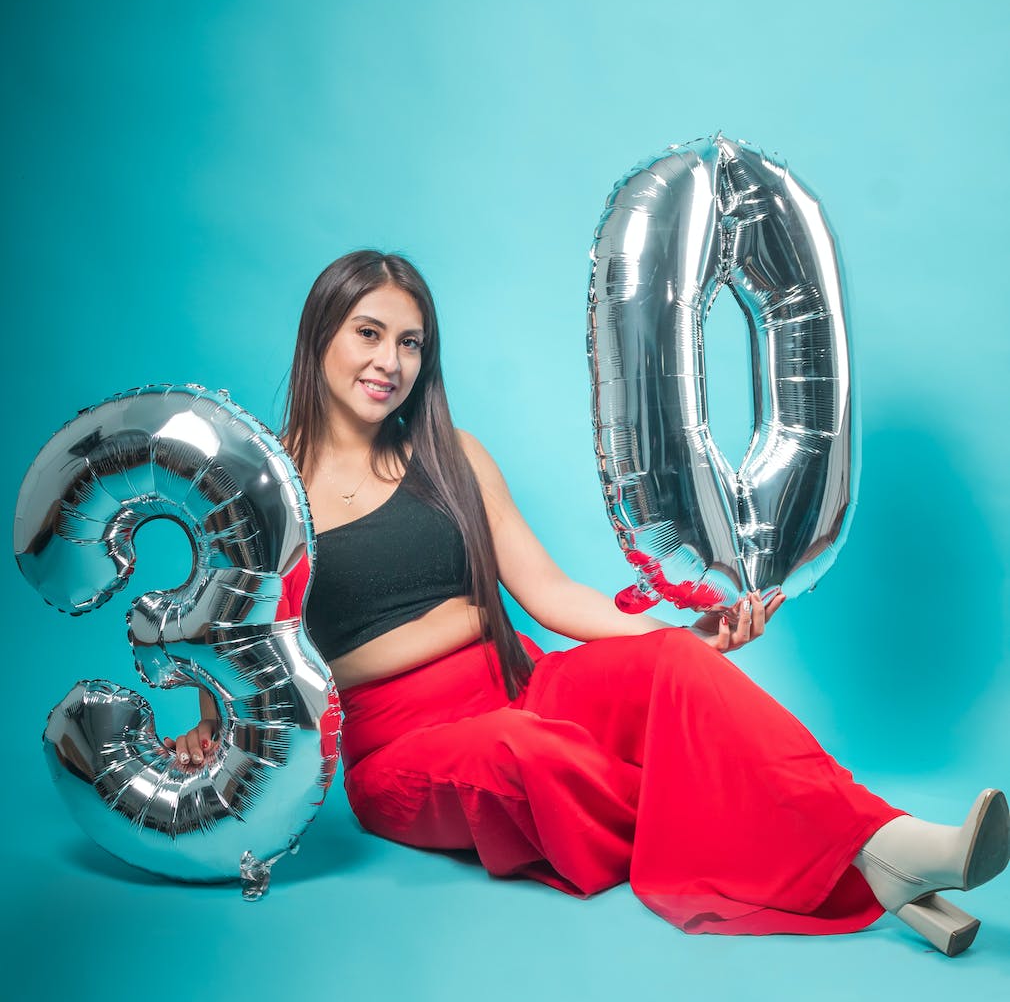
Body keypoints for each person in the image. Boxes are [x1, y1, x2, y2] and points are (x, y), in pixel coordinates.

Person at [167, 250, 1009, 955]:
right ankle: (868, 857)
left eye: (412, 343)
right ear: (320, 336)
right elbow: (259, 666)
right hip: (403, 752)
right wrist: (442, 626)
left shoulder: (454, 455)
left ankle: (882, 843)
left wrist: (681, 634)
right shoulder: (264, 496)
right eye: (369, 333)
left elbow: (548, 593)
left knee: (671, 663)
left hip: (522, 680)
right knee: (525, 750)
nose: (391, 362)